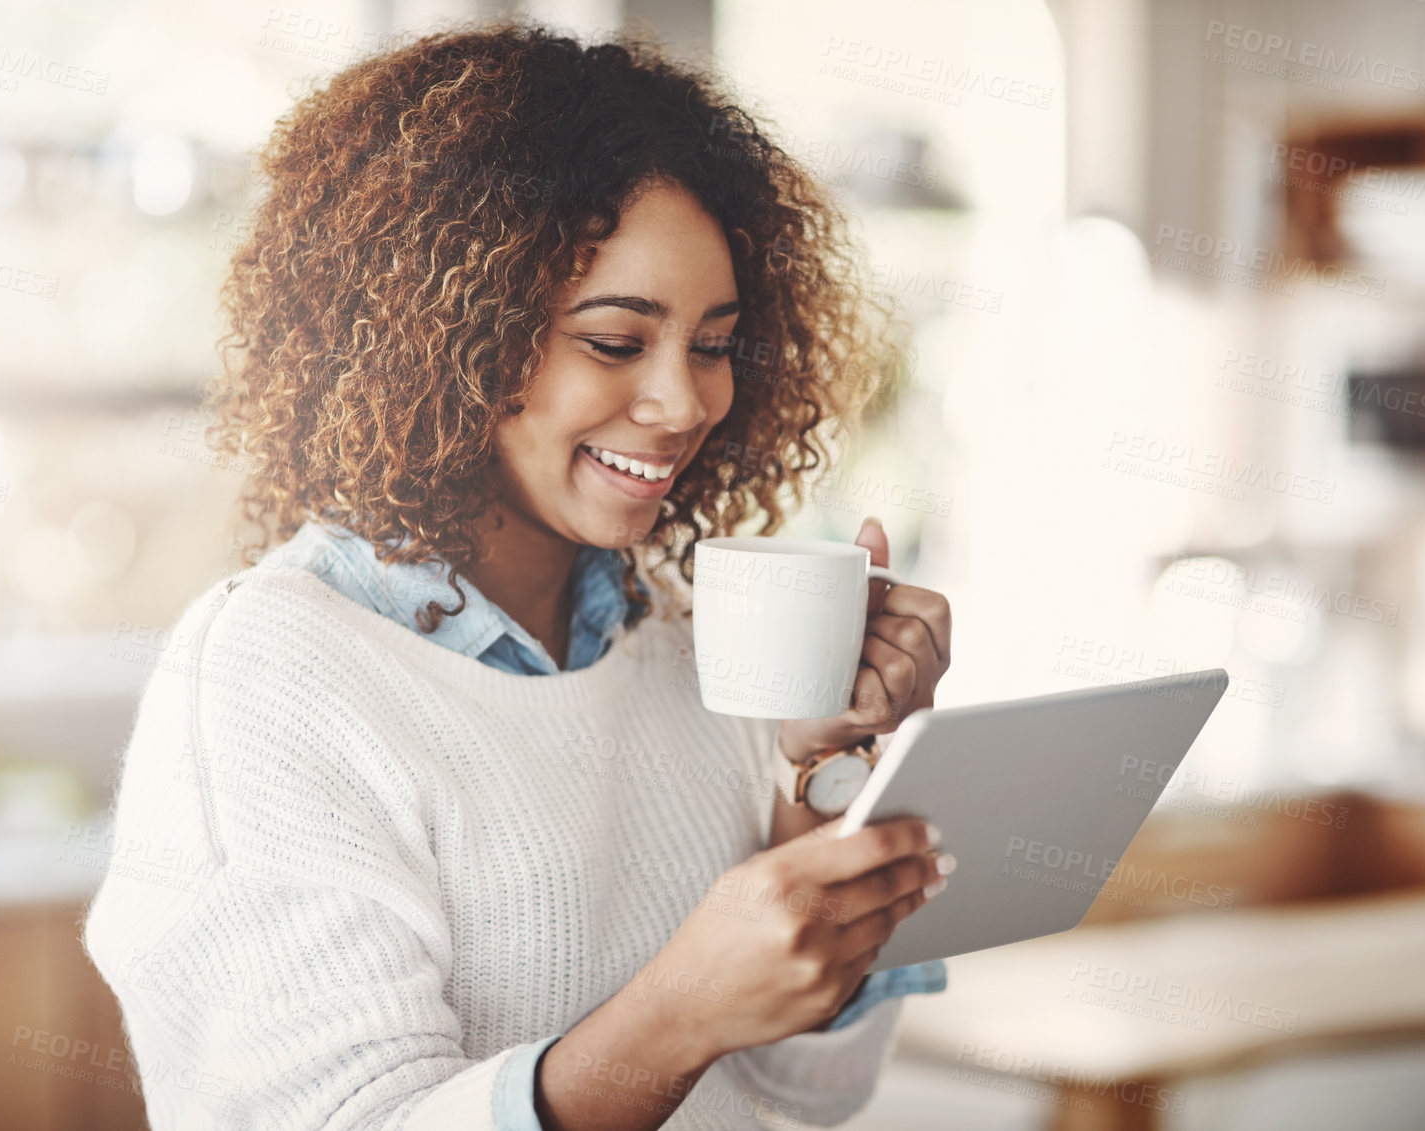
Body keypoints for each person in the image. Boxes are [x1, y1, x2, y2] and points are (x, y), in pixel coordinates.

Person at [84, 18, 956, 1130]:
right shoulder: (270, 675)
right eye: (614, 340)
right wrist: (672, 1016)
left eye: (711, 343)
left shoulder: (690, 635)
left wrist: (824, 773)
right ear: (441, 336)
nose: (685, 403)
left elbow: (805, 1088)